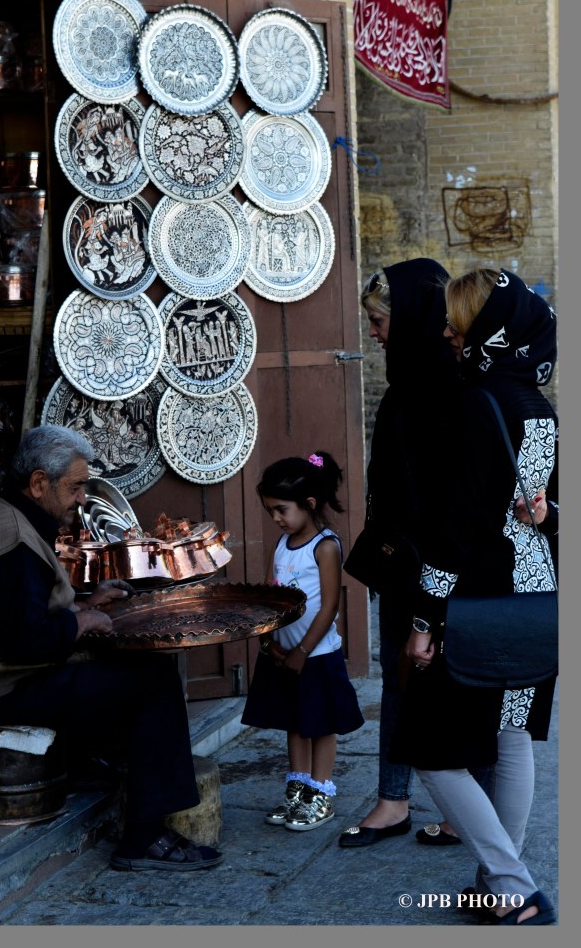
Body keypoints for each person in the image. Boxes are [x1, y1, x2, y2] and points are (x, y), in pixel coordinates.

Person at [0, 424, 223, 873]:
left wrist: (85, 604)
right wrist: (81, 620)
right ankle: (144, 836)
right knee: (154, 681)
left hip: (2, 675)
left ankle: (93, 765)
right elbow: (26, 641)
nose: (82, 499)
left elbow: (26, 614)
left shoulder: (12, 519)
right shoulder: (10, 539)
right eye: (75, 487)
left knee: (129, 663)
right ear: (38, 483)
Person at [389, 266, 558, 925]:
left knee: (430, 750)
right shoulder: (538, 405)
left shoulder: (472, 404)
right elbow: (551, 507)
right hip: (534, 593)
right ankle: (498, 881)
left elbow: (453, 530)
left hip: (481, 599)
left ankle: (512, 886)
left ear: (486, 330)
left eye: (459, 325)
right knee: (512, 738)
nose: (450, 336)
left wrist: (425, 618)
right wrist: (544, 514)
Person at [339, 258, 493, 849]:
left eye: (379, 323)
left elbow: (454, 491)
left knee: (457, 679)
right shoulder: (408, 385)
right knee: (401, 678)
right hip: (403, 562)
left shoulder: (455, 390)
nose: (374, 335)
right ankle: (392, 799)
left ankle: (464, 807)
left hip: (445, 561)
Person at [241, 451, 364, 831]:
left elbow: (328, 607)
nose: (276, 518)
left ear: (309, 505)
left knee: (320, 725)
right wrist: (268, 643)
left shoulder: (325, 545)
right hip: (284, 653)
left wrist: (303, 651)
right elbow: (271, 596)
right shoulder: (282, 543)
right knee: (294, 722)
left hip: (316, 655)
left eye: (281, 510)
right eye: (271, 511)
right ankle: (298, 790)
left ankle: (321, 794)